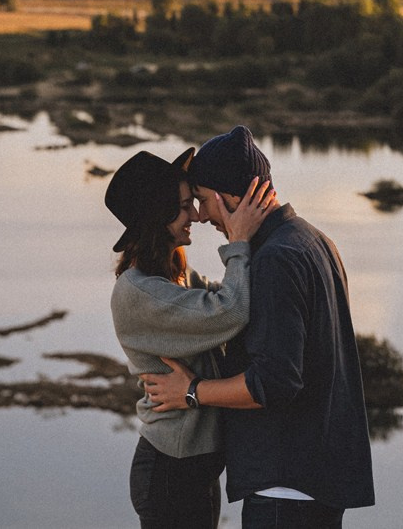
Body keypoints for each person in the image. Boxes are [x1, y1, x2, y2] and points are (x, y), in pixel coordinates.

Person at [141, 127, 375, 529]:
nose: (199, 214)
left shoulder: (275, 260)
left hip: (285, 490)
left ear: (231, 196)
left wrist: (192, 392)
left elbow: (276, 381)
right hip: (313, 482)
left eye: (201, 199)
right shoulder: (314, 240)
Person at [105, 144, 274, 529]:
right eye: (184, 206)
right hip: (170, 473)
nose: (195, 216)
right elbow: (230, 311)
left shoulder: (172, 276)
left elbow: (223, 300)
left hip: (192, 470)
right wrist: (239, 240)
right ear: (158, 215)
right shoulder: (140, 291)